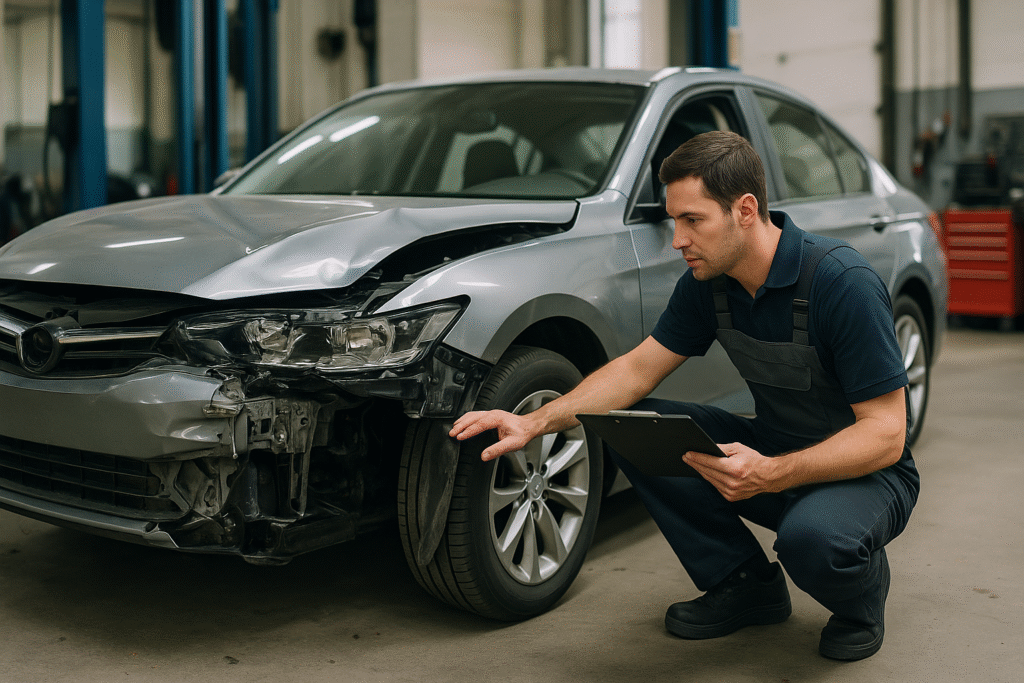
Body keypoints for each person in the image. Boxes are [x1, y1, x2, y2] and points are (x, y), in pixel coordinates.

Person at [450, 130, 920, 661]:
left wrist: (771, 473)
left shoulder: (840, 283)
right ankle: (744, 583)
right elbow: (635, 371)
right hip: (771, 447)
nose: (677, 239)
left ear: (745, 210)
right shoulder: (709, 284)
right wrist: (535, 421)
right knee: (633, 422)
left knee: (811, 541)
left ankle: (861, 595)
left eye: (692, 220)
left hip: (867, 474)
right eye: (675, 220)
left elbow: (886, 436)